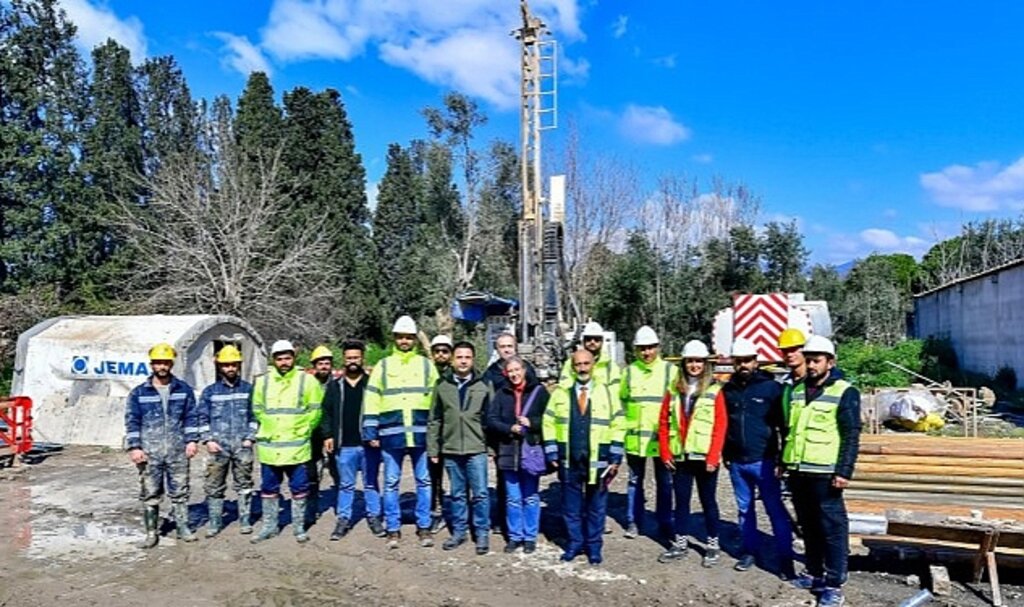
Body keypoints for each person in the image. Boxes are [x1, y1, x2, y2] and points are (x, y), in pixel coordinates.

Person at [783, 336, 861, 607]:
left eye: (817, 360)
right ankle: (814, 573)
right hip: (798, 471)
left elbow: (851, 434)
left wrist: (844, 471)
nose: (812, 365)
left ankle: (834, 583)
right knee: (809, 527)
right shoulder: (795, 390)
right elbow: (791, 431)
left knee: (833, 529)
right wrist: (784, 462)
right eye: (809, 360)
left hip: (826, 474)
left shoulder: (844, 391)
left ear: (830, 362)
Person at [543, 349, 625, 565]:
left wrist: (615, 457)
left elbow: (618, 423)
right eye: (578, 364)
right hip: (569, 459)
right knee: (571, 507)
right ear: (572, 367)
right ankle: (574, 543)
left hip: (599, 460)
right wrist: (552, 451)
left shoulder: (606, 393)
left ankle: (594, 547)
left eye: (586, 364)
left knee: (596, 507)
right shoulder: (561, 393)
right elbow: (548, 422)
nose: (582, 368)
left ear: (593, 366)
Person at [363, 315, 438, 548]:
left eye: (409, 337)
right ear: (394, 338)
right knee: (391, 482)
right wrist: (370, 431)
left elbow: (437, 401)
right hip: (391, 434)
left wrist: (437, 432)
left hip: (420, 434)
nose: (404, 341)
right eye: (401, 337)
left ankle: (424, 526)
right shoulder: (384, 366)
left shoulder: (426, 365)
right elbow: (372, 398)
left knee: (424, 482)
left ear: (415, 339)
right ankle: (393, 529)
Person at [722, 338, 795, 576]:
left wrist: (782, 459)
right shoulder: (728, 390)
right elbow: (724, 425)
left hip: (765, 461)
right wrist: (726, 453)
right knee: (744, 510)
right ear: (734, 362)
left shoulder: (771, 388)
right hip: (737, 462)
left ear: (756, 361)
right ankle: (749, 551)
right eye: (739, 361)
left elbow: (784, 427)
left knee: (774, 510)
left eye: (748, 360)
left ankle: (786, 559)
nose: (743, 365)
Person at [657, 340, 726, 567]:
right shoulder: (674, 390)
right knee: (682, 502)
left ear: (705, 364)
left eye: (698, 361)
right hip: (681, 457)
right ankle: (681, 543)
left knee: (708, 502)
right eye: (690, 361)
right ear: (684, 363)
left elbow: (720, 426)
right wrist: (666, 453)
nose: (694, 365)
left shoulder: (715, 391)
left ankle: (713, 545)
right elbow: (664, 423)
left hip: (704, 458)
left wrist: (714, 457)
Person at [124, 342, 200, 548]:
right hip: (150, 452)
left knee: (180, 491)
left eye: (166, 362)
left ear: (171, 364)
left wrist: (192, 441)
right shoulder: (139, 393)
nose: (162, 366)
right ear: (152, 365)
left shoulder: (183, 390)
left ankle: (183, 528)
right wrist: (135, 447)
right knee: (150, 493)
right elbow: (132, 421)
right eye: (158, 362)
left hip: (177, 450)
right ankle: (151, 533)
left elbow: (191, 417)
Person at [250, 340, 324, 544]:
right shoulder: (263, 382)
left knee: (299, 488)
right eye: (280, 358)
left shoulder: (307, 381)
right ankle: (269, 527)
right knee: (269, 488)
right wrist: (270, 428)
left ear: (294, 358)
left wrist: (303, 429)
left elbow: (316, 410)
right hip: (270, 447)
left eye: (287, 358)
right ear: (273, 360)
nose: (284, 362)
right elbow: (257, 409)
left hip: (297, 447)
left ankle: (299, 527)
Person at [428, 341, 493, 554]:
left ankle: (482, 532)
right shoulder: (442, 385)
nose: (463, 361)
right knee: (457, 494)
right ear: (453, 360)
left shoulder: (484, 385)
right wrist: (433, 449)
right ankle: (459, 531)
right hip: (451, 449)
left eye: (467, 357)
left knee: (481, 493)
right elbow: (435, 419)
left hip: (477, 449)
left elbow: (490, 418)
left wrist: (491, 448)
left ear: (473, 360)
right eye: (459, 357)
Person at [320, 340, 385, 540]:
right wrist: (328, 435)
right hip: (344, 445)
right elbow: (326, 413)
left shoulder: (372, 385)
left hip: (368, 444)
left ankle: (374, 517)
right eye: (349, 358)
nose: (353, 361)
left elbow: (382, 411)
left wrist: (378, 435)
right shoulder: (335, 386)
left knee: (371, 483)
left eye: (356, 357)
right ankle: (343, 520)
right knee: (346, 485)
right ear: (344, 360)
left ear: (362, 359)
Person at [620, 325, 678, 539]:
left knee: (664, 482)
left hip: (660, 439)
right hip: (635, 439)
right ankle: (634, 521)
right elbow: (622, 403)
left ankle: (665, 522)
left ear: (657, 348)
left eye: (650, 348)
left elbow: (677, 406)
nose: (646, 353)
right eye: (642, 348)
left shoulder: (670, 372)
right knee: (635, 480)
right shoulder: (629, 372)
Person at [486, 355, 548, 554]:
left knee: (530, 496)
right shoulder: (502, 394)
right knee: (513, 498)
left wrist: (534, 423)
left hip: (530, 450)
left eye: (517, 370)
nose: (513, 374)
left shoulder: (539, 392)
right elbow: (491, 420)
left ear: (524, 370)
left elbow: (550, 418)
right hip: (508, 450)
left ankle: (530, 537)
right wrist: (508, 428)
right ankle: (515, 536)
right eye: (510, 371)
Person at [198, 345, 256, 537]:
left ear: (239, 365)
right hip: (218, 447)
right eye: (226, 365)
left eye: (233, 365)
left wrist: (250, 437)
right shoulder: (210, 392)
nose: (230, 368)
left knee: (245, 485)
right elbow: (202, 419)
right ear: (219, 367)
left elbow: (255, 417)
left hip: (242, 446)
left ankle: (245, 521)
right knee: (214, 485)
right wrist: (207, 441)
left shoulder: (249, 390)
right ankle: (215, 522)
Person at [306, 344, 336, 524]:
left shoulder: (337, 384)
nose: (324, 366)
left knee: (337, 471)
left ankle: (342, 507)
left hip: (333, 434)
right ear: (314, 365)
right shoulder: (308, 384)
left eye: (327, 363)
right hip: (313, 434)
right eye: (320, 363)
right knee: (312, 474)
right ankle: (312, 508)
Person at [428, 334, 454, 533]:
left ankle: (459, 515)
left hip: (454, 435)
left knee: (458, 479)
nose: (441, 355)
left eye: (445, 351)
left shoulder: (457, 374)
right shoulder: (427, 373)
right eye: (437, 352)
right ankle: (436, 512)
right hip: (434, 435)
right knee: (433, 478)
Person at [559, 321, 621, 388]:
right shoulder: (570, 363)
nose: (592, 342)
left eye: (596, 339)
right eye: (588, 339)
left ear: (602, 342)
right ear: (583, 341)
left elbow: (615, 390)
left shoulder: (610, 365)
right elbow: (564, 386)